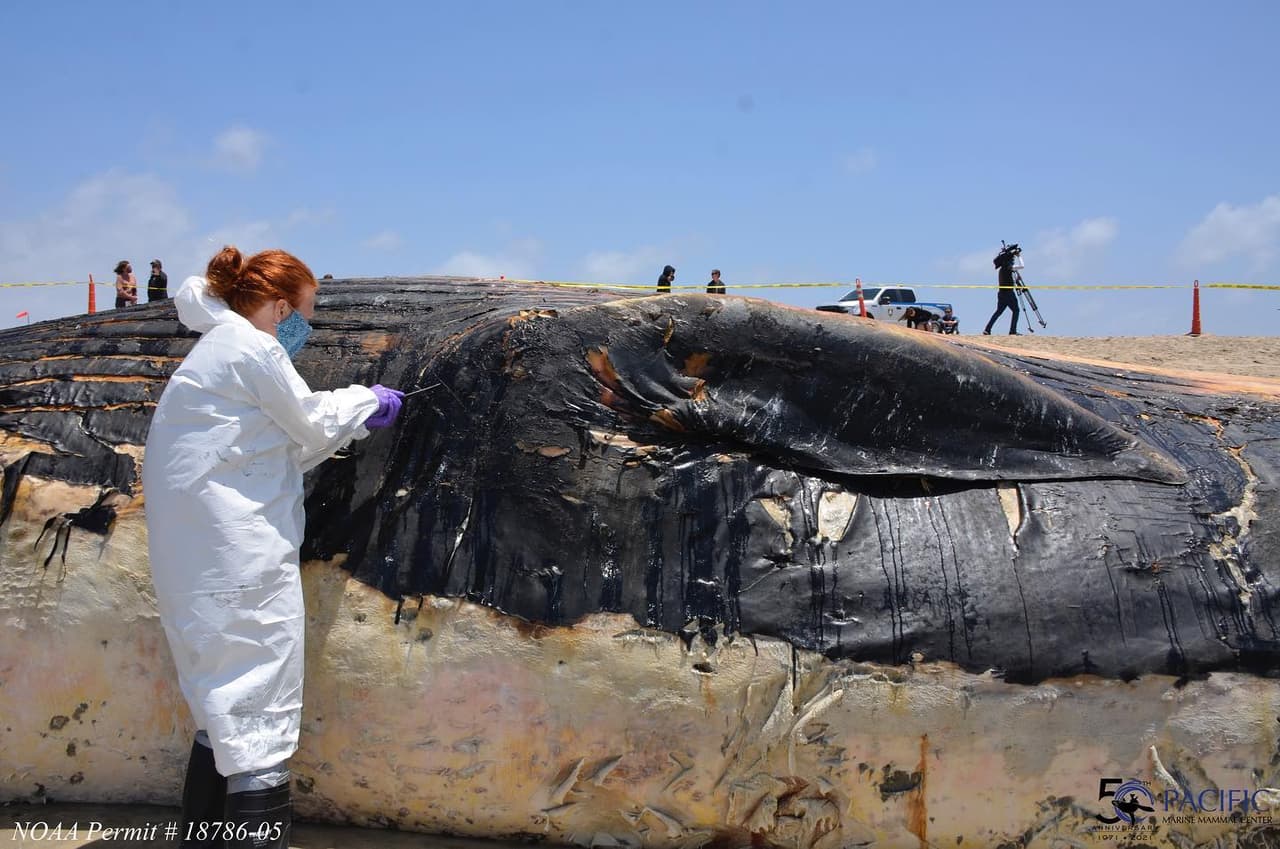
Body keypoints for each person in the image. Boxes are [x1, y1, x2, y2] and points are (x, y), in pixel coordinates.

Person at [143, 246, 405, 849]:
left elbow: (276, 444)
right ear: (281, 305)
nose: (303, 329)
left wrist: (353, 420)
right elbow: (309, 424)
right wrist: (367, 400)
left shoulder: (216, 351)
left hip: (196, 561)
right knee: (260, 710)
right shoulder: (252, 347)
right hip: (240, 560)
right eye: (303, 314)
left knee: (220, 712)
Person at [983, 243, 1022, 335]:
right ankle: (1012, 331)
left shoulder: (1002, 269)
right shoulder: (1008, 267)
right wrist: (1019, 256)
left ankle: (987, 329)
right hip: (1008, 293)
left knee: (999, 311)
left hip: (1001, 293)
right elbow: (1022, 266)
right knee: (1016, 310)